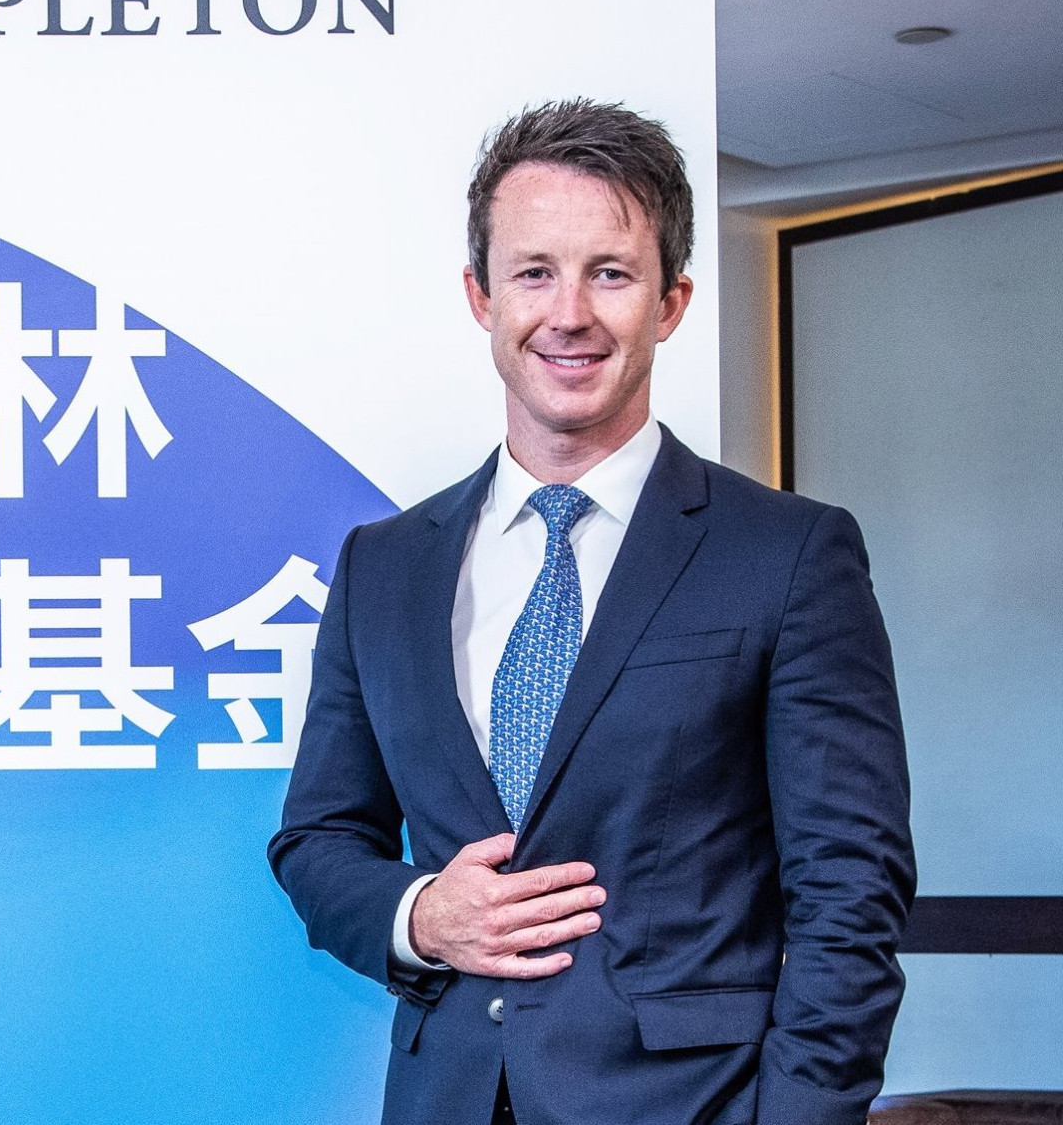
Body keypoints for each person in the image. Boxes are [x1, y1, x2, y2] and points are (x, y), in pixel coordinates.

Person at [268, 99, 914, 1125]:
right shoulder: (383, 567)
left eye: (609, 272)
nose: (568, 313)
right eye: (534, 271)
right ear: (480, 295)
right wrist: (421, 914)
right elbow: (318, 838)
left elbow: (851, 891)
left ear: (671, 301)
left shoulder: (788, 555)